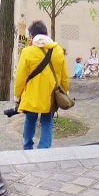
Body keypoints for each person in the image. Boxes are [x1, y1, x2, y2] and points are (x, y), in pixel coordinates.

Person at [13, 20, 68, 151]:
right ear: (47, 34)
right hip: (50, 96)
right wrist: (64, 93)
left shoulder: (27, 52)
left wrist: (17, 97)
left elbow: (20, 78)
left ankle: (27, 147)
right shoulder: (58, 51)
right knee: (47, 122)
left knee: (30, 121)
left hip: (32, 96)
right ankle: (44, 149)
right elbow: (64, 76)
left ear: (32, 36)